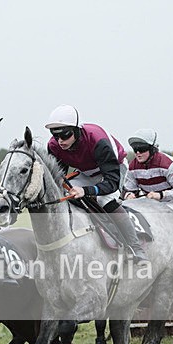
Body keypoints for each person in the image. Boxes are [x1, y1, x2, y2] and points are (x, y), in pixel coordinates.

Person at [44, 104, 147, 261]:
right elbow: (59, 175)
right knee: (63, 194)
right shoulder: (54, 146)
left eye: (65, 135)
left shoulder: (98, 141)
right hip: (86, 172)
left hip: (114, 170)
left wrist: (86, 191)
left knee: (105, 199)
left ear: (77, 130)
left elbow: (111, 183)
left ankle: (135, 247)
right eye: (55, 135)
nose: (60, 141)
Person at [123, 128, 173, 220]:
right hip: (152, 204)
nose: (138, 153)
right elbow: (130, 189)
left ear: (152, 149)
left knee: (159, 217)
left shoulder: (168, 164)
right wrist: (128, 195)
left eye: (142, 149)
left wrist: (161, 195)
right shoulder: (132, 167)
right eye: (135, 149)